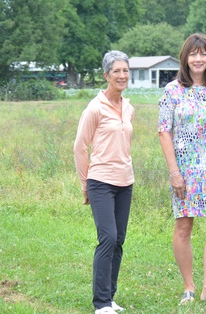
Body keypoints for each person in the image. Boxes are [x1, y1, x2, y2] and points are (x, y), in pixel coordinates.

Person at [158, 33, 206, 305]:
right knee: (183, 226)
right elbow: (163, 132)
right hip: (184, 170)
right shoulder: (172, 90)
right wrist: (174, 172)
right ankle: (189, 287)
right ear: (185, 58)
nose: (198, 59)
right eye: (193, 54)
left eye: (203, 54)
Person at [73, 50, 135, 314]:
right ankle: (100, 304)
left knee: (119, 239)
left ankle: (110, 297)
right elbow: (80, 147)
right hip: (100, 182)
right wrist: (85, 184)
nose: (122, 75)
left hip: (125, 182)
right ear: (106, 75)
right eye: (116, 71)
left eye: (125, 71)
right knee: (107, 238)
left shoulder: (129, 107)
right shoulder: (95, 108)